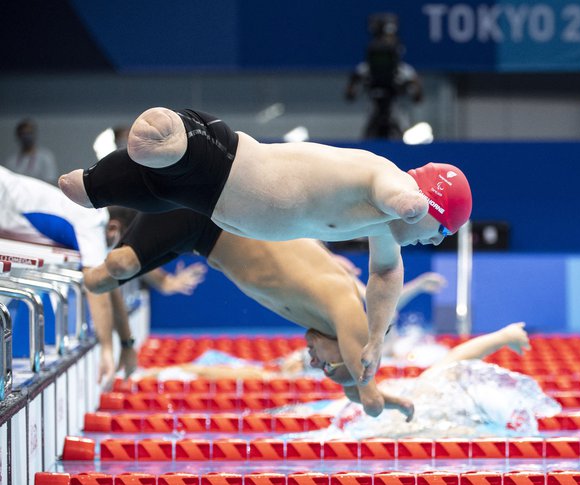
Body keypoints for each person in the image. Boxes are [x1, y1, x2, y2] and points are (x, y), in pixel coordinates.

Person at [58, 107, 472, 386]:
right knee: (167, 150)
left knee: (126, 193)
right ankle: (167, 130)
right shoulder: (390, 183)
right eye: (441, 230)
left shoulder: (381, 227)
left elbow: (386, 273)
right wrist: (411, 204)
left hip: (213, 207)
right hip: (222, 161)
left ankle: (92, 186)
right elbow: (397, 192)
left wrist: (377, 340)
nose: (435, 240)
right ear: (431, 206)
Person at [83, 209, 445, 417]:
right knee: (114, 267)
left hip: (197, 236)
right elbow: (365, 395)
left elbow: (356, 385)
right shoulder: (346, 309)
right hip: (205, 215)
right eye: (330, 366)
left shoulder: (331, 308)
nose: (317, 365)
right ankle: (81, 235)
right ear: (349, 347)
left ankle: (88, 245)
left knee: (110, 275)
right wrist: (391, 401)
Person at [305, 322, 561, 437]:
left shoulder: (428, 400)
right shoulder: (427, 397)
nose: (316, 365)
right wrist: (503, 337)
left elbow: (455, 362)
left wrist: (504, 337)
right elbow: (455, 362)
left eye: (326, 363)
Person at [0, 165, 132, 388]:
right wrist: (107, 351)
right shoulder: (92, 221)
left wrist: (127, 344)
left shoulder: (96, 224)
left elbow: (110, 285)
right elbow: (97, 289)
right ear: (114, 228)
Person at [345, 13, 423, 139]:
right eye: (382, 38)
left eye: (390, 38)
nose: (386, 42)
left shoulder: (404, 72)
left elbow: (418, 98)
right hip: (372, 117)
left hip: (397, 117)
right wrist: (355, 81)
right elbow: (349, 96)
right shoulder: (364, 70)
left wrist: (412, 84)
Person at [5, 118, 58, 185]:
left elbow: (50, 181)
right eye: (23, 134)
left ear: (34, 134)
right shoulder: (11, 161)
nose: (26, 137)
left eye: (29, 133)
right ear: (18, 136)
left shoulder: (45, 157)